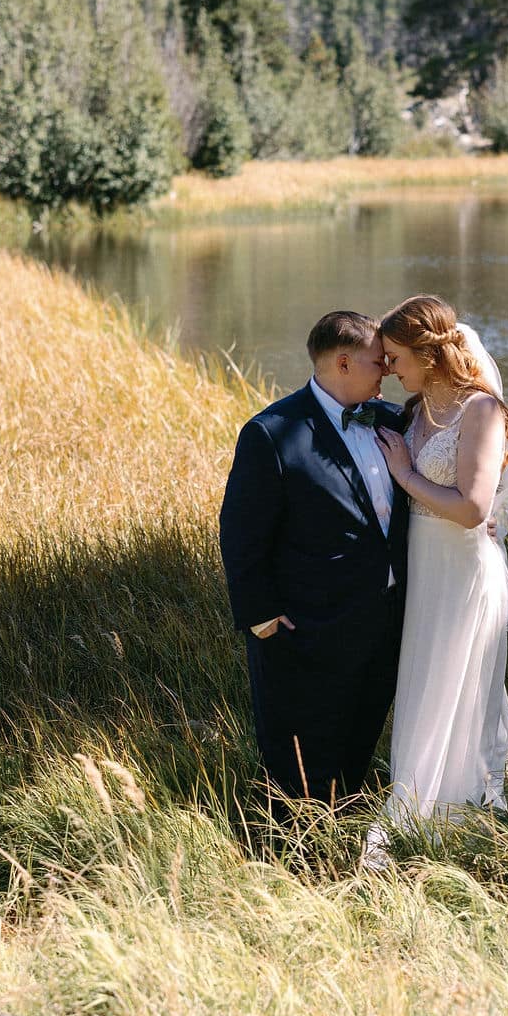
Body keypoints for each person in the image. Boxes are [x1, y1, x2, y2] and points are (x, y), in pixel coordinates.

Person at [218, 312, 409, 807]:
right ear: (343, 363)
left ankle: (338, 853)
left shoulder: (392, 421)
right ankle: (288, 864)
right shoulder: (272, 433)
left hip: (384, 625)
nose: (386, 370)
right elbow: (241, 532)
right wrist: (259, 616)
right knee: (299, 764)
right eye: (377, 363)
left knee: (356, 753)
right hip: (306, 632)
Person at [372, 296, 508, 830]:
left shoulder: (479, 410)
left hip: (462, 573)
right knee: (422, 690)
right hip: (424, 572)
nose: (388, 370)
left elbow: (473, 508)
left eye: (395, 358)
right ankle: (418, 809)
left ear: (427, 354)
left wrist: (406, 475)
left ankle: (457, 815)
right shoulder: (414, 411)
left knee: (452, 690)